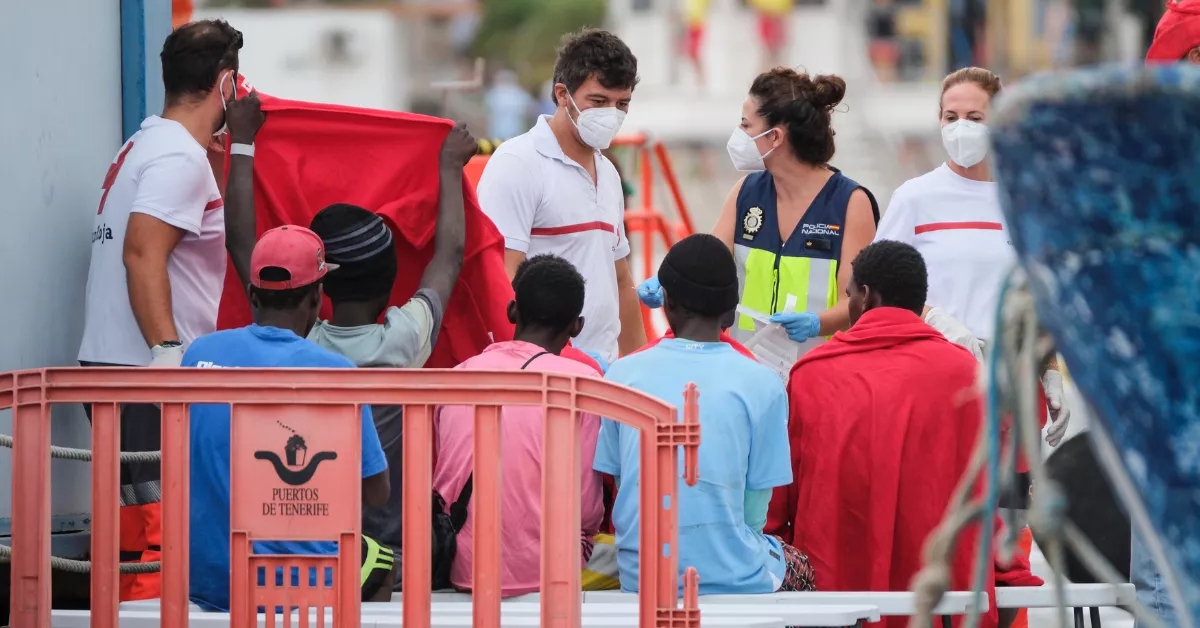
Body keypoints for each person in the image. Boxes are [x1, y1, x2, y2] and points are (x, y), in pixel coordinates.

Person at [76, 19, 257, 601]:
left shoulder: (144, 143)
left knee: (134, 547)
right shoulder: (179, 159)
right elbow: (142, 253)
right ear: (226, 85)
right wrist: (167, 356)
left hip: (114, 373)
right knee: (160, 550)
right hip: (147, 381)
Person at [765, 240, 1002, 628]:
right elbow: (987, 490)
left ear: (866, 295)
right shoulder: (966, 374)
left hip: (834, 599)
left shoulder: (812, 375)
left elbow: (778, 502)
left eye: (849, 295)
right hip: (941, 601)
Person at [595, 234, 815, 595]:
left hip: (640, 576)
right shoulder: (764, 384)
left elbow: (623, 488)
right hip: (732, 575)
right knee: (802, 568)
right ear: (731, 313)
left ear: (664, 301)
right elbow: (755, 514)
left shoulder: (621, 375)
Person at [184, 225, 391, 610]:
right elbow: (378, 493)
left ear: (251, 294)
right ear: (316, 299)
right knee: (382, 560)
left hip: (210, 585)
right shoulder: (336, 372)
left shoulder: (198, 354)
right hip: (302, 589)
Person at [872, 67, 1069, 444]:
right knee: (943, 500)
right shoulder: (915, 198)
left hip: (1012, 385)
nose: (961, 127)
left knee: (1010, 502)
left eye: (975, 118)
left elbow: (1038, 295)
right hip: (931, 379)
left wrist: (1050, 368)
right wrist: (935, 319)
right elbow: (875, 291)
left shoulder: (1025, 201)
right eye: (951, 117)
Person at [641, 68, 878, 362]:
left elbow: (857, 300)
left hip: (818, 372)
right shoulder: (745, 193)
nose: (738, 135)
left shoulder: (849, 203)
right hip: (746, 370)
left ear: (775, 136)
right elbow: (704, 265)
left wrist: (817, 323)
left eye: (745, 125)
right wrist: (667, 283)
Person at [432, 254, 605, 597]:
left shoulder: (458, 376)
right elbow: (587, 510)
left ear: (513, 311)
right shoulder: (584, 382)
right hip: (548, 570)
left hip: (458, 564)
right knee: (630, 556)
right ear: (576, 327)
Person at [477, 29, 646, 364]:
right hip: (542, 376)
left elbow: (621, 278)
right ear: (562, 94)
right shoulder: (518, 164)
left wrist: (640, 367)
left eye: (622, 104)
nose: (611, 113)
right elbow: (499, 279)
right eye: (598, 101)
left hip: (604, 376)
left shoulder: (608, 174)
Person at [485, 69, 535, 141]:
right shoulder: (494, 93)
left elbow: (530, 109)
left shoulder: (518, 93)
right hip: (499, 133)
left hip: (513, 132)